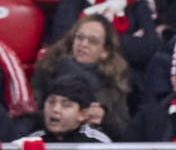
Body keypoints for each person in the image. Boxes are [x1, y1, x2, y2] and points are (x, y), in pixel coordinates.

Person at [32, 14, 133, 142]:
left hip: (95, 145)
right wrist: (67, 117)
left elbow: (123, 128)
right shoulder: (49, 68)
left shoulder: (115, 77)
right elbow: (31, 115)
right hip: (51, 141)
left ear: (105, 51)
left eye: (93, 41)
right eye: (79, 37)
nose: (83, 44)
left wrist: (104, 116)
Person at [29, 73, 126, 150]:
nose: (55, 109)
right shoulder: (32, 142)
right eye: (51, 102)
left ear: (83, 114)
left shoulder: (100, 144)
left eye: (66, 105)